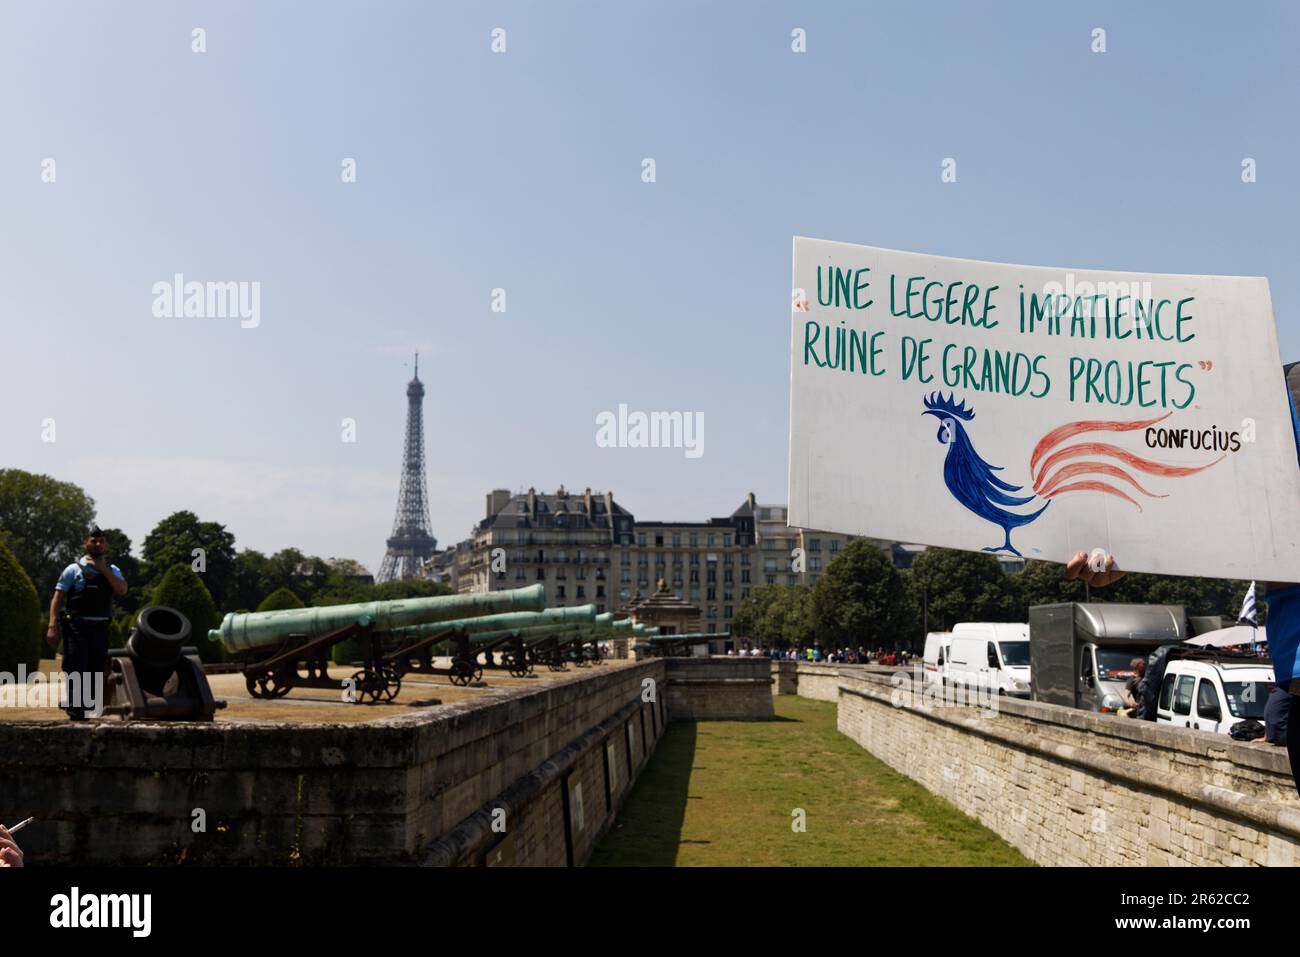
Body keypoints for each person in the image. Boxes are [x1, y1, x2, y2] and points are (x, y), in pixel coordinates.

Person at [47, 526, 128, 721]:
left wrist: (104, 570)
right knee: (76, 668)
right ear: (86, 543)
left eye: (101, 541)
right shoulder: (73, 569)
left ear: (106, 545)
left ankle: (88, 708)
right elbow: (57, 599)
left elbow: (122, 589)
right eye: (94, 541)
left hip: (100, 628)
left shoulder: (113, 570)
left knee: (97, 669)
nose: (98, 544)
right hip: (76, 628)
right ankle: (76, 712)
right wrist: (52, 625)